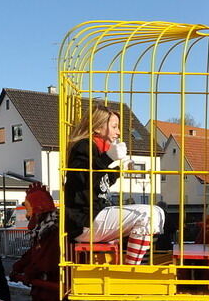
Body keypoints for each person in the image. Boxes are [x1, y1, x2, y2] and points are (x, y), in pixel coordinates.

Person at [63, 105, 164, 265]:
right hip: (84, 220)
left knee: (156, 212)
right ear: (97, 127)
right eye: (114, 127)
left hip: (92, 217)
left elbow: (98, 182)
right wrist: (108, 158)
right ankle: (133, 269)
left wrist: (118, 170)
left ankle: (137, 263)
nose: (118, 132)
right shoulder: (84, 146)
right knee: (148, 215)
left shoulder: (95, 149)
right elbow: (81, 178)